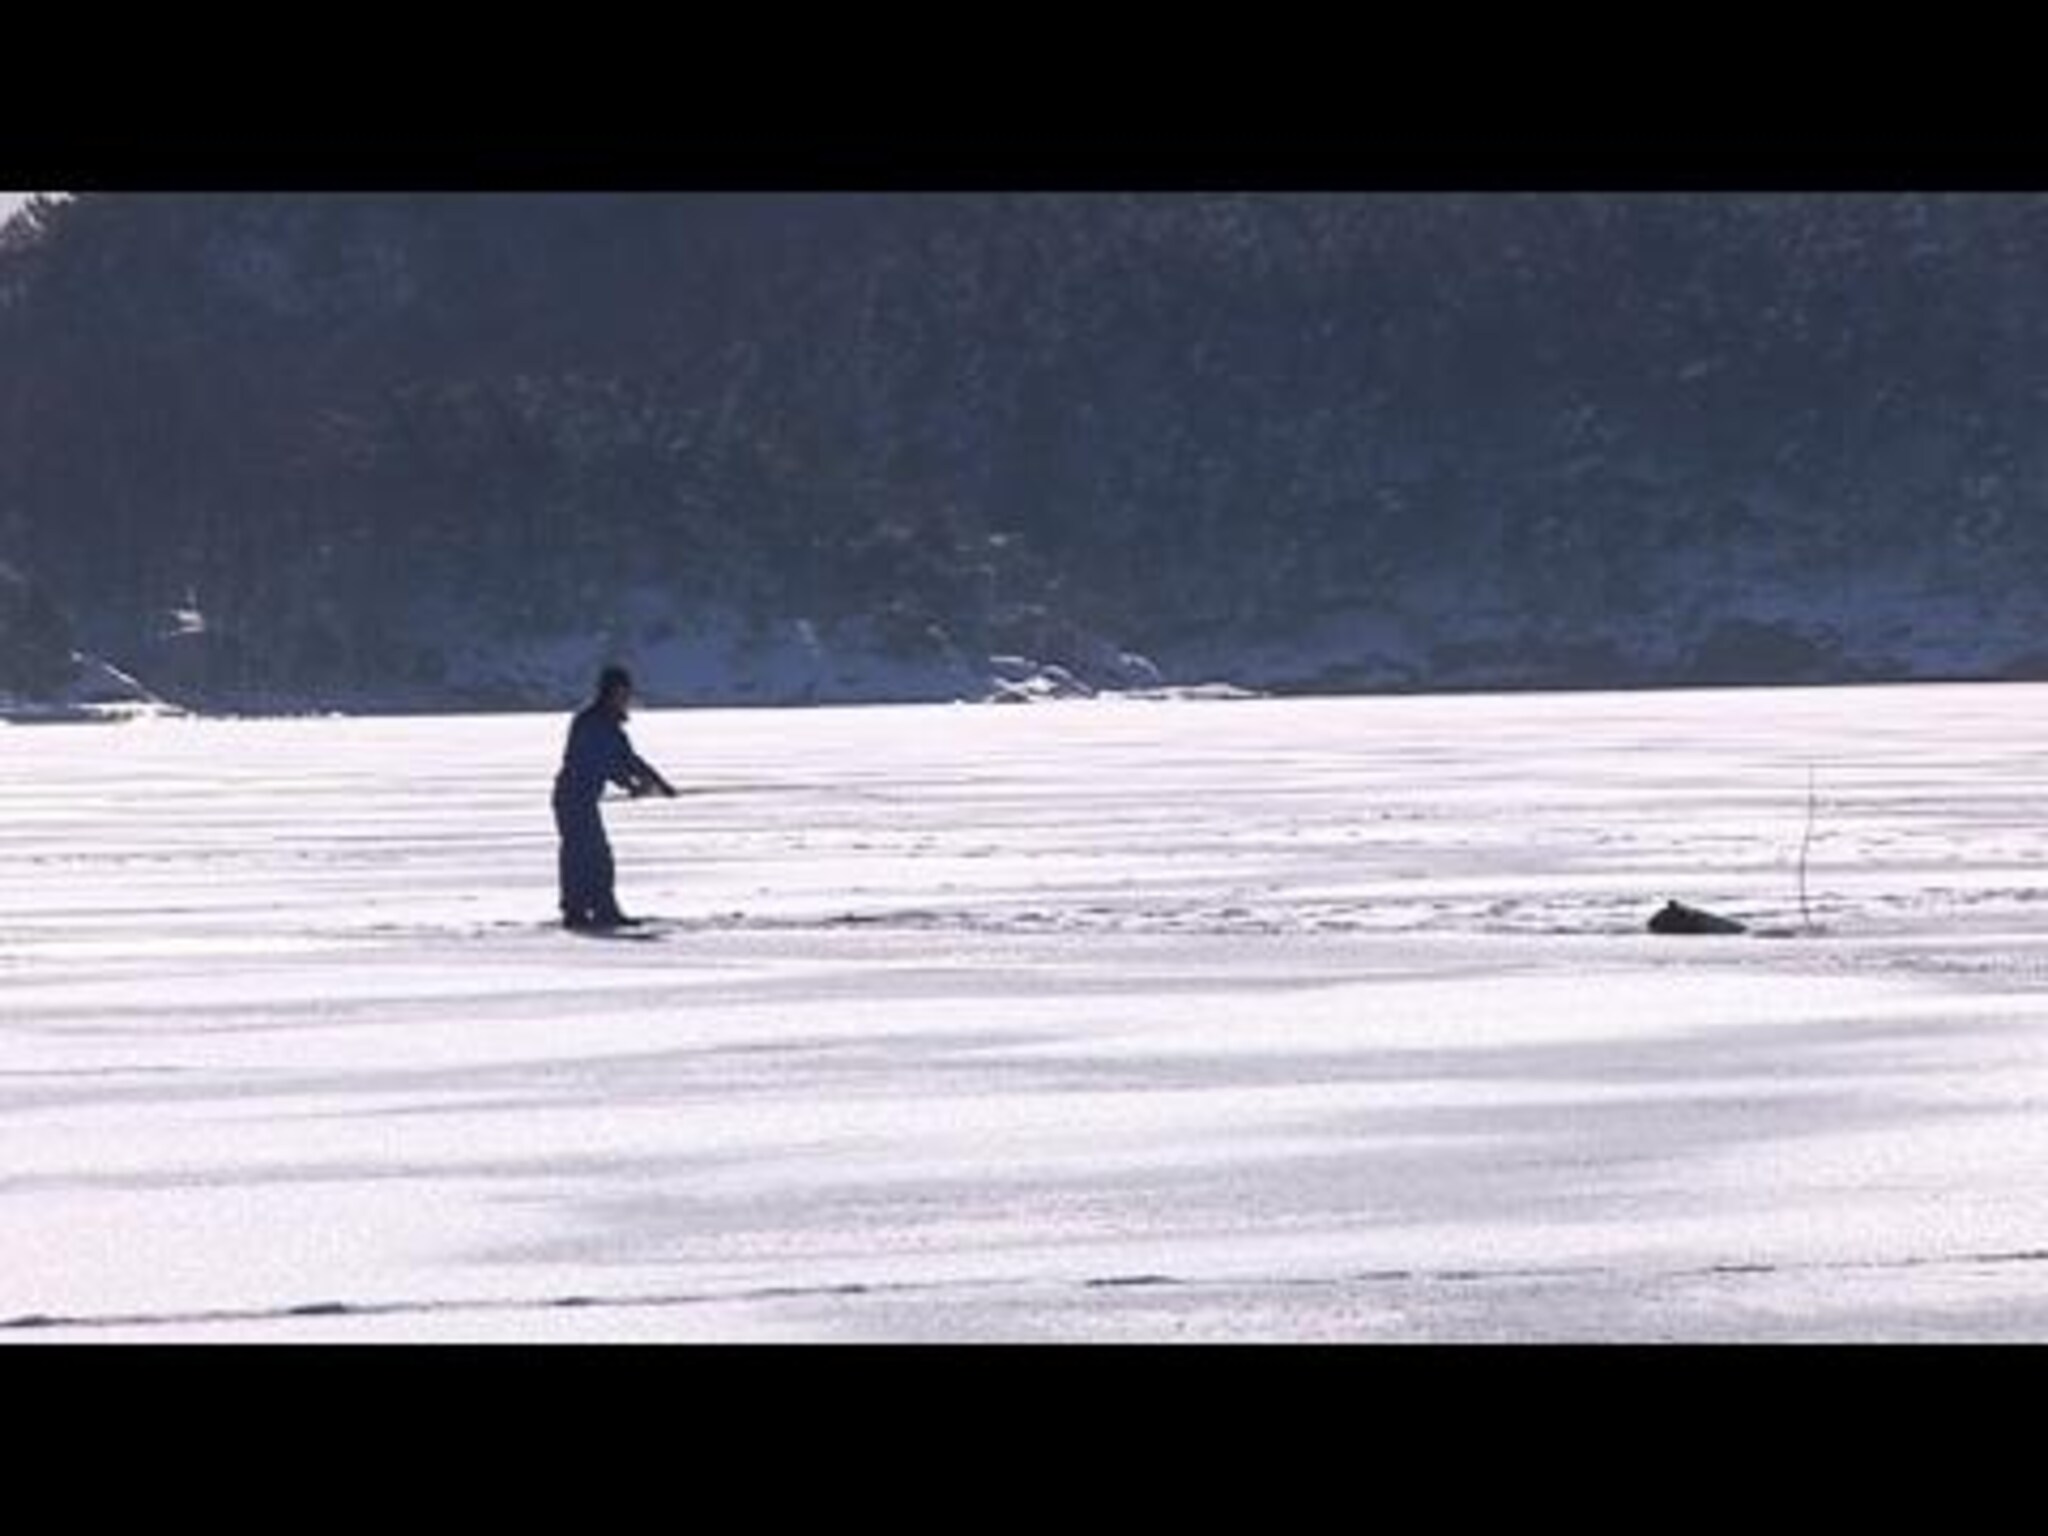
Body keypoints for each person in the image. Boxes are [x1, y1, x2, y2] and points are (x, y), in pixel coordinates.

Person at [553, 664, 677, 929]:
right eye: (621, 692)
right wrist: (630, 785)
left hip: (584, 798)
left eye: (627, 692)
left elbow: (628, 759)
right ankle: (585, 911)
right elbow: (601, 762)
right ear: (608, 692)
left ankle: (594, 909)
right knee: (586, 855)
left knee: (591, 854)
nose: (625, 698)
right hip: (572, 797)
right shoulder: (591, 722)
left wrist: (659, 782)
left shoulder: (610, 724)